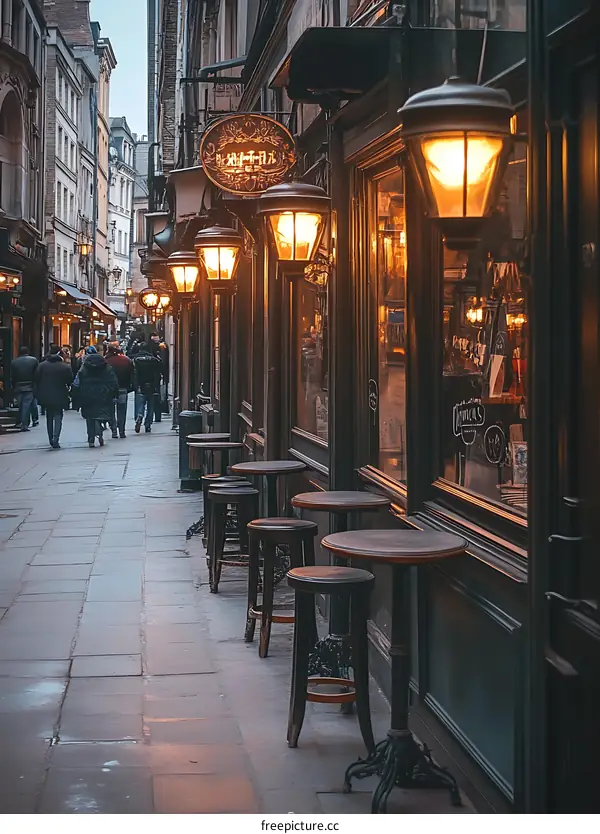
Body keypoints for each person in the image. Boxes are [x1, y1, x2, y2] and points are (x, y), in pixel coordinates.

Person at [72, 350, 118, 447]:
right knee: (101, 413)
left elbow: (76, 383)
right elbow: (113, 382)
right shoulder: (107, 368)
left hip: (87, 395)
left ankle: (91, 439)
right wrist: (113, 393)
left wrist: (76, 396)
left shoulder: (83, 369)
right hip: (103, 394)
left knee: (89, 418)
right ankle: (100, 430)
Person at [33, 344, 73, 449]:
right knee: (58, 416)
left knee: (49, 416)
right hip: (60, 395)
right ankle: (56, 439)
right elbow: (70, 381)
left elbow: (36, 379)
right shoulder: (65, 366)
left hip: (45, 395)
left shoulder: (42, 366)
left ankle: (50, 438)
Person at [105, 341, 134, 438]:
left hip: (109, 390)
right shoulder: (126, 360)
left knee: (111, 409)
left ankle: (113, 429)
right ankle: (122, 430)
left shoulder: (106, 361)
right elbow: (131, 374)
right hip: (123, 388)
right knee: (122, 410)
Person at [132, 342, 162, 433]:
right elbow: (159, 373)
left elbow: (134, 374)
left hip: (141, 385)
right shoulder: (154, 360)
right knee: (150, 407)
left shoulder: (136, 360)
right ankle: (148, 424)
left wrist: (135, 385)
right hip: (152, 385)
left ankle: (139, 416)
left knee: (140, 404)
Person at [10, 347, 39, 431]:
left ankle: (22, 422)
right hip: (29, 385)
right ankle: (24, 424)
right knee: (26, 405)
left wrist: (13, 386)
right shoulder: (33, 360)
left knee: (22, 405)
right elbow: (37, 374)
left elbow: (13, 376)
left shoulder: (14, 362)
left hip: (18, 386)